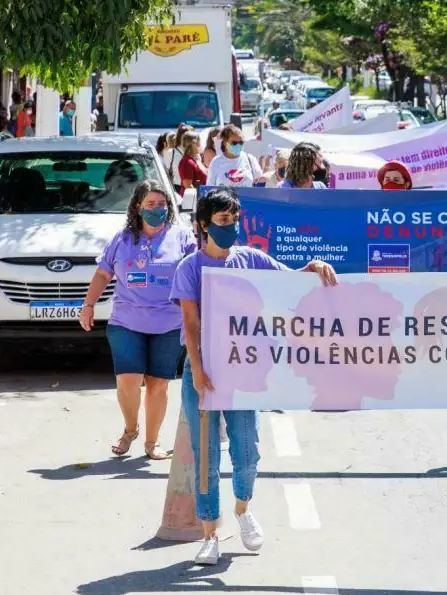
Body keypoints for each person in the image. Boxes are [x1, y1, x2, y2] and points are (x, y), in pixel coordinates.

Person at [170, 186, 338, 566]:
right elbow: (191, 324)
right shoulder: (190, 268)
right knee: (205, 455)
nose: (231, 226)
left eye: (234, 219)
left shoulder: (251, 258)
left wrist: (313, 267)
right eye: (223, 220)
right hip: (203, 371)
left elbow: (290, 283)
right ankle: (210, 533)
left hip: (243, 372)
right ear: (204, 224)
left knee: (246, 451)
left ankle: (243, 511)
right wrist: (198, 370)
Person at [80, 181, 197, 459]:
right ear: (137, 207)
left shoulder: (182, 237)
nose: (157, 209)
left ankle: (151, 442)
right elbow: (103, 274)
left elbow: (196, 274)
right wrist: (88, 305)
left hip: (169, 325)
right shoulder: (122, 239)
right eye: (150, 204)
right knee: (128, 381)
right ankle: (130, 429)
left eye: (162, 204)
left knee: (158, 384)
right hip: (126, 323)